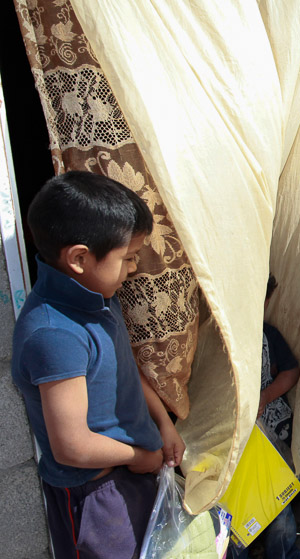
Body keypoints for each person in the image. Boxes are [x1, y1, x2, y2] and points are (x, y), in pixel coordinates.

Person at [11, 171, 185, 559]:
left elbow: (124, 370)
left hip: (133, 471)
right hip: (97, 496)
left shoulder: (98, 297)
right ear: (79, 258)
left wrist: (163, 425)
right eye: (126, 258)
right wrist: (143, 458)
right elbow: (73, 446)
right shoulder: (55, 334)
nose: (133, 269)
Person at [230, 272, 300, 559]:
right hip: (232, 440)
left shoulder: (268, 335)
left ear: (267, 300)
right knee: (233, 503)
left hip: (268, 433)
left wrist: (264, 397)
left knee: (278, 501)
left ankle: (283, 552)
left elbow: (291, 371)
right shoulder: (216, 339)